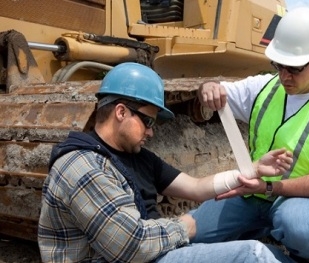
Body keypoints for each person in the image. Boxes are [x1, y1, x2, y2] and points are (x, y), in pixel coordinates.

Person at [37, 62, 294, 262]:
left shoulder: (138, 157)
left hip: (148, 250)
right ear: (121, 112)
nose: (151, 132)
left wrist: (252, 170)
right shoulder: (83, 166)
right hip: (128, 256)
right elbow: (131, 245)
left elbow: (195, 187)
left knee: (236, 227)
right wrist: (185, 226)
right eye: (148, 121)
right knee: (251, 255)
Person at [191, 6, 309, 263]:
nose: (285, 76)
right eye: (279, 65)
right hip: (251, 194)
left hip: (298, 200)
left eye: (295, 68)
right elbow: (213, 91)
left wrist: (270, 187)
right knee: (195, 232)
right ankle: (263, 229)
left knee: (299, 227)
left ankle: (297, 255)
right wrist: (207, 87)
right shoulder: (264, 86)